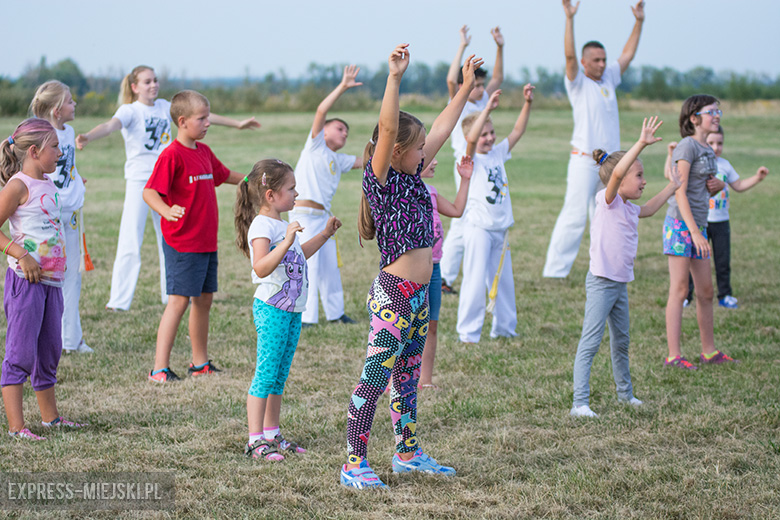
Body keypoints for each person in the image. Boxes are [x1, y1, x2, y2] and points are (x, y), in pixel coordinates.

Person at [340, 44, 482, 490]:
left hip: (419, 294)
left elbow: (442, 124)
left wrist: (464, 88)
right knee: (375, 378)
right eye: (419, 147)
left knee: (406, 379)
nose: (427, 150)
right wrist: (394, 78)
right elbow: (386, 127)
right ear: (397, 150)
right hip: (393, 293)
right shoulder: (381, 183)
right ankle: (353, 463)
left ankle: (407, 453)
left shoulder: (416, 179)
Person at [76, 65, 260, 311]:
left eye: (155, 80)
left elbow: (204, 115)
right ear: (134, 87)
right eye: (146, 82)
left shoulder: (165, 106)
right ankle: (118, 301)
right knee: (130, 240)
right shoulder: (130, 110)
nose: (153, 85)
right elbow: (111, 126)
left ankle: (171, 294)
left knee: (170, 239)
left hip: (171, 180)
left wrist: (237, 124)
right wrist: (88, 136)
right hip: (141, 181)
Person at [570, 117, 680, 418]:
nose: (644, 181)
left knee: (622, 342)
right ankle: (580, 403)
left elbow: (650, 209)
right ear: (618, 181)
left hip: (619, 285)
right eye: (639, 175)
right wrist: (641, 143)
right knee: (590, 343)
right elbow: (618, 172)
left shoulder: (631, 208)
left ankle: (625, 394)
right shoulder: (607, 201)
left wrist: (673, 186)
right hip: (601, 283)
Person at [235, 159, 342, 461]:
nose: (296, 194)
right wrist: (287, 242)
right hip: (271, 310)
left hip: (293, 310)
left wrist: (323, 235)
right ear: (271, 195)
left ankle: (272, 434)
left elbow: (297, 257)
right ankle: (255, 440)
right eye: (291, 189)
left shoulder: (282, 225)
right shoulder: (262, 225)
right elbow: (261, 266)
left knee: (279, 375)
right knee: (266, 374)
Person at [142, 90, 247, 382]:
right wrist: (166, 210)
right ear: (183, 121)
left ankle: (199, 362)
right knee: (178, 301)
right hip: (182, 242)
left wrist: (254, 178)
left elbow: (224, 175)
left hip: (205, 241)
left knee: (204, 300)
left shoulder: (203, 152)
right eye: (203, 118)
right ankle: (159, 369)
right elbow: (149, 191)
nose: (208, 123)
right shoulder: (171, 155)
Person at [543, 0, 645, 278]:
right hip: (584, 161)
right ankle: (555, 272)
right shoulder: (577, 82)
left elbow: (627, 55)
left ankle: (607, 266)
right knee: (575, 216)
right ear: (585, 62)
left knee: (609, 215)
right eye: (596, 60)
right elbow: (568, 58)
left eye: (603, 59)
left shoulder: (609, 78)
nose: (602, 64)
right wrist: (569, 19)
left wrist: (639, 21)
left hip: (612, 164)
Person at [0, 119, 86, 440]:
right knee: (21, 352)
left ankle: (50, 418)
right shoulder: (17, 185)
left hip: (52, 281)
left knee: (49, 348)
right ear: (34, 152)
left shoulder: (48, 182)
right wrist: (20, 253)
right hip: (26, 282)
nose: (60, 152)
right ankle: (16, 427)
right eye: (55, 147)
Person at [663, 95, 738, 370]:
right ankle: (674, 357)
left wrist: (716, 185)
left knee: (706, 291)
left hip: (698, 226)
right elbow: (679, 189)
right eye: (711, 111)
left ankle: (709, 352)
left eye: (718, 110)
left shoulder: (707, 149)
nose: (717, 115)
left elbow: (700, 185)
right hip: (681, 226)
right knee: (680, 290)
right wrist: (694, 232)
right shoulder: (687, 146)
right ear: (694, 118)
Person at [456, 84, 533, 344]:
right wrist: (487, 108)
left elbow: (518, 131)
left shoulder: (498, 153)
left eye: (491, 133)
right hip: (479, 228)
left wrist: (527, 103)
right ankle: (468, 333)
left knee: (504, 282)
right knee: (475, 281)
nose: (489, 138)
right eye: (484, 134)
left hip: (500, 228)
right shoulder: (471, 159)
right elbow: (471, 140)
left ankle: (504, 328)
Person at [289, 65, 363, 327]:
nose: (344, 133)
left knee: (331, 267)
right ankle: (306, 316)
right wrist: (342, 86)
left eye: (347, 132)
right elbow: (321, 111)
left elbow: (367, 160)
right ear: (325, 131)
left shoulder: (338, 159)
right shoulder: (315, 146)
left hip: (324, 218)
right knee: (309, 266)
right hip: (305, 216)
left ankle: (336, 313)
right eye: (340, 128)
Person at [439, 25, 505, 294]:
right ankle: (445, 275)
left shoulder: (482, 100)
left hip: (484, 162)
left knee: (468, 217)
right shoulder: (462, 100)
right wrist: (462, 46)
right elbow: (451, 81)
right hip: (465, 163)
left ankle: (447, 275)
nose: (479, 89)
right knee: (462, 216)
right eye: (475, 85)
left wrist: (500, 47)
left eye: (480, 85)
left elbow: (498, 77)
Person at [30, 81, 92, 354]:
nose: (74, 104)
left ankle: (71, 338)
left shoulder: (70, 132)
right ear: (56, 110)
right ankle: (46, 336)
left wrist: (76, 182)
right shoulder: (38, 134)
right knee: (48, 274)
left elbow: (66, 169)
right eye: (69, 100)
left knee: (72, 276)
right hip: (48, 216)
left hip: (71, 213)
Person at [676, 127, 770, 309]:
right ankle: (687, 295)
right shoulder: (697, 164)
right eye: (711, 143)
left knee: (722, 261)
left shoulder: (725, 165)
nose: (716, 147)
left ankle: (725, 295)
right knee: (693, 260)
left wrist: (758, 178)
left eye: (720, 143)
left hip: (721, 222)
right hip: (701, 222)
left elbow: (740, 185)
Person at [418, 155, 473, 390]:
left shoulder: (431, 191)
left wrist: (465, 180)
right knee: (406, 326)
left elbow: (457, 210)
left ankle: (425, 380)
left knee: (431, 325)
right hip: (413, 270)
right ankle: (395, 380)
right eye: (428, 156)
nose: (435, 161)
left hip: (435, 267)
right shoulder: (402, 191)